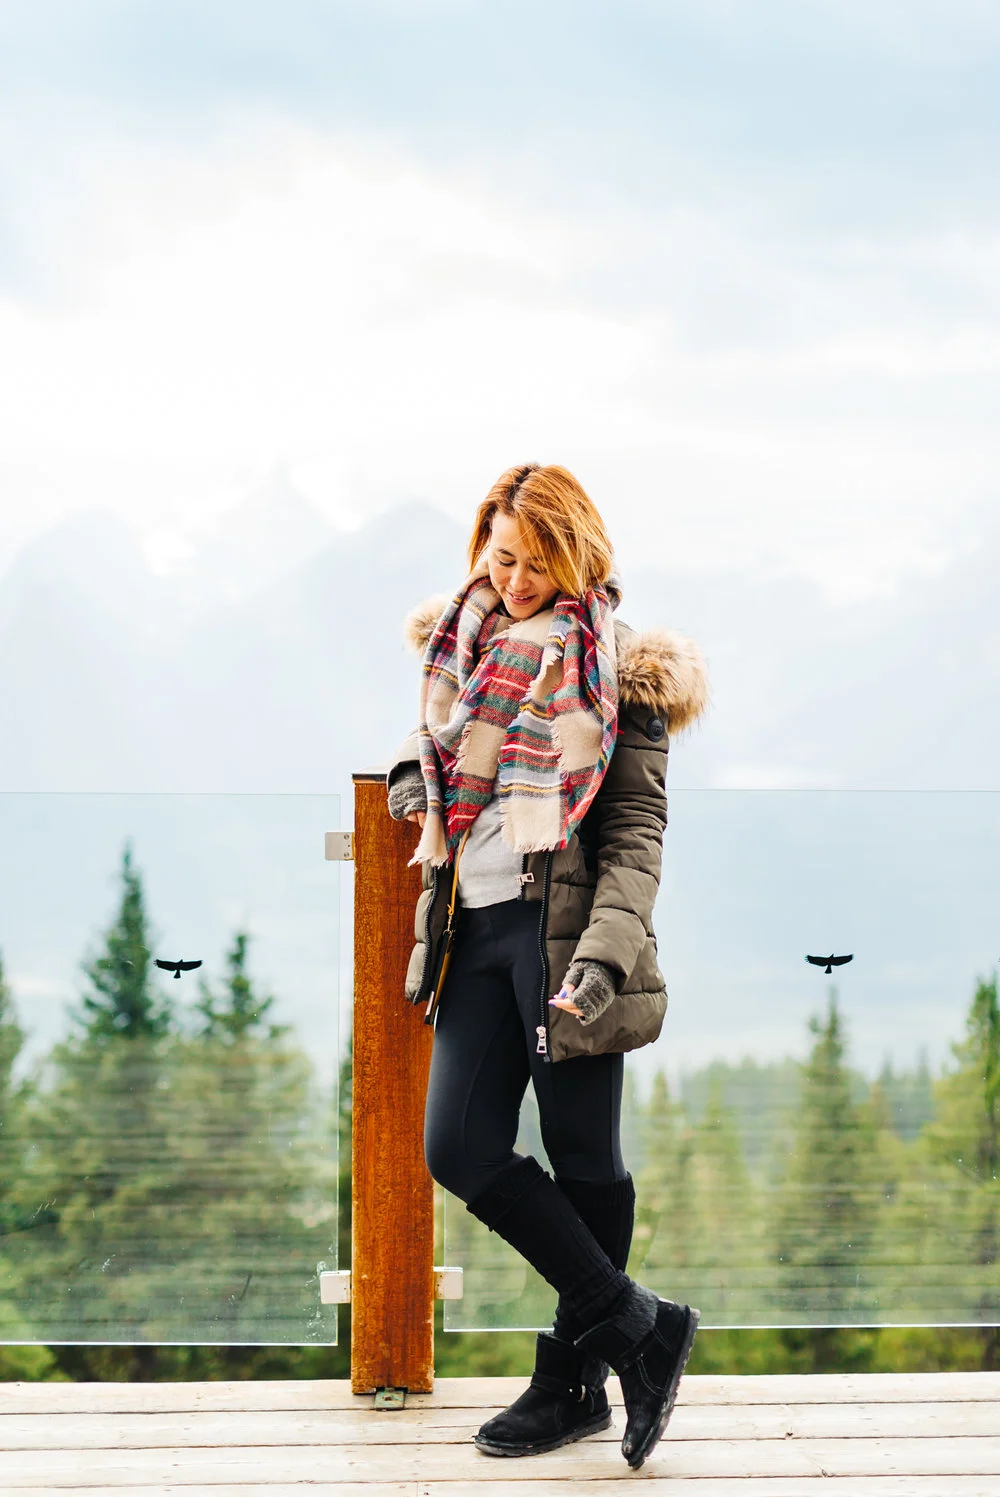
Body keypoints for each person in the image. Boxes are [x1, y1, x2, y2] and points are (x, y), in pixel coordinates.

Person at [386, 462, 709, 1470]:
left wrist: (606, 959)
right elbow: (440, 744)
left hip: (565, 940)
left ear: (575, 556)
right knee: (459, 1147)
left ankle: (569, 1384)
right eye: (500, 554)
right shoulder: (464, 644)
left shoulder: (622, 670)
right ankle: (643, 1329)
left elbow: (634, 831)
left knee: (583, 1159)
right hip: (471, 934)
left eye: (534, 561)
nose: (514, 577)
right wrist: (412, 771)